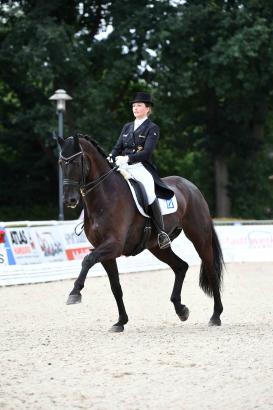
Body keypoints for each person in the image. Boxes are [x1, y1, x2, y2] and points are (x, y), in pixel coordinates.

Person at [108, 91, 172, 249]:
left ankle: (161, 232)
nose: (135, 108)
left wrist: (128, 158)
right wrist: (111, 156)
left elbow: (147, 152)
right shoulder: (127, 127)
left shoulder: (152, 128)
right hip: (122, 164)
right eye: (134, 106)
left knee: (149, 192)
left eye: (139, 105)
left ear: (147, 109)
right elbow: (118, 147)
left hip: (141, 166)